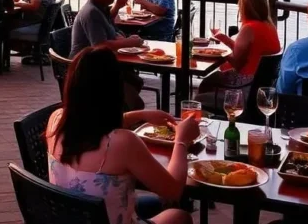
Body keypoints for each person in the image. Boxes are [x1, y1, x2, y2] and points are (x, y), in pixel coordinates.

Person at [46, 46, 196, 224]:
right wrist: (181, 140)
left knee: (147, 203)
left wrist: (140, 115)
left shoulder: (55, 121)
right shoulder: (123, 143)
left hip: (68, 217)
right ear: (115, 90)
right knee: (179, 216)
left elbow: (93, 124)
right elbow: (173, 190)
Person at [70, 0, 147, 110]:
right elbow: (100, 45)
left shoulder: (99, 8)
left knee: (134, 81)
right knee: (134, 100)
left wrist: (117, 6)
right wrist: (129, 42)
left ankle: (117, 116)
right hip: (87, 72)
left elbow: (105, 25)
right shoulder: (91, 12)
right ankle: (117, 121)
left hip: (98, 66)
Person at [197, 0, 282, 103]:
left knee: (203, 90)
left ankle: (208, 113)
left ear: (244, 8)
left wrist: (221, 52)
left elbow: (237, 63)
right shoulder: (270, 27)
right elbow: (247, 52)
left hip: (244, 86)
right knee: (212, 80)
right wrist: (225, 39)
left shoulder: (249, 28)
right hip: (259, 83)